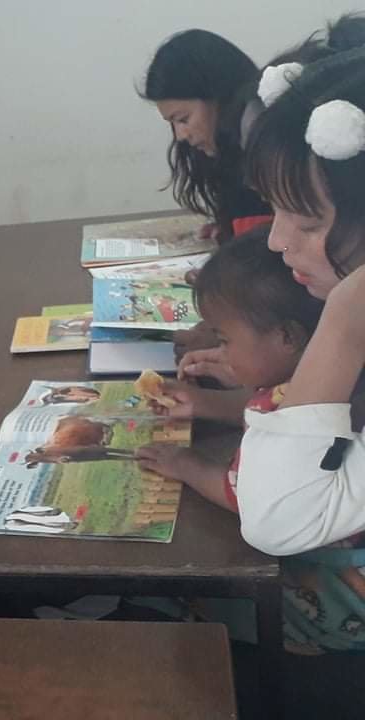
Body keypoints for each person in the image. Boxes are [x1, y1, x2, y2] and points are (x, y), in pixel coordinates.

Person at [158, 49, 365, 653]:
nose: (276, 241)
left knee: (172, 604)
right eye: (276, 210)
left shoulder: (346, 319)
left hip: (339, 606)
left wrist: (344, 322)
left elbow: (274, 520)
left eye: (307, 222)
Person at [136, 228, 322, 513]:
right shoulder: (313, 381)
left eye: (224, 341)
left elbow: (247, 496)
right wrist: (203, 402)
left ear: (287, 337)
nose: (220, 353)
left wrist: (186, 464)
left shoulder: (291, 415)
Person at [141, 30, 271, 242]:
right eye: (172, 124)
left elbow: (275, 247)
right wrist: (230, 227)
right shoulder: (231, 155)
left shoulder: (265, 146)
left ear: (219, 97)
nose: (180, 136)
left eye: (183, 119)